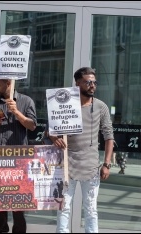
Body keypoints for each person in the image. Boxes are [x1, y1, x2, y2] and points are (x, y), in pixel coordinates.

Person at [48, 67, 114, 233]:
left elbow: (109, 137)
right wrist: (55, 138)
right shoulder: (64, 104)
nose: (92, 85)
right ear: (77, 84)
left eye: (94, 82)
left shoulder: (101, 107)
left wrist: (107, 164)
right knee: (64, 207)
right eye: (88, 82)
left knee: (91, 209)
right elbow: (49, 130)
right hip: (66, 165)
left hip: (91, 167)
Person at [0, 72, 37, 233]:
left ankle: (19, 230)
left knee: (18, 199)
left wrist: (17, 113)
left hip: (19, 158)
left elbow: (32, 126)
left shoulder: (26, 101)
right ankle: (2, 229)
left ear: (8, 83)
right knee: (0, 199)